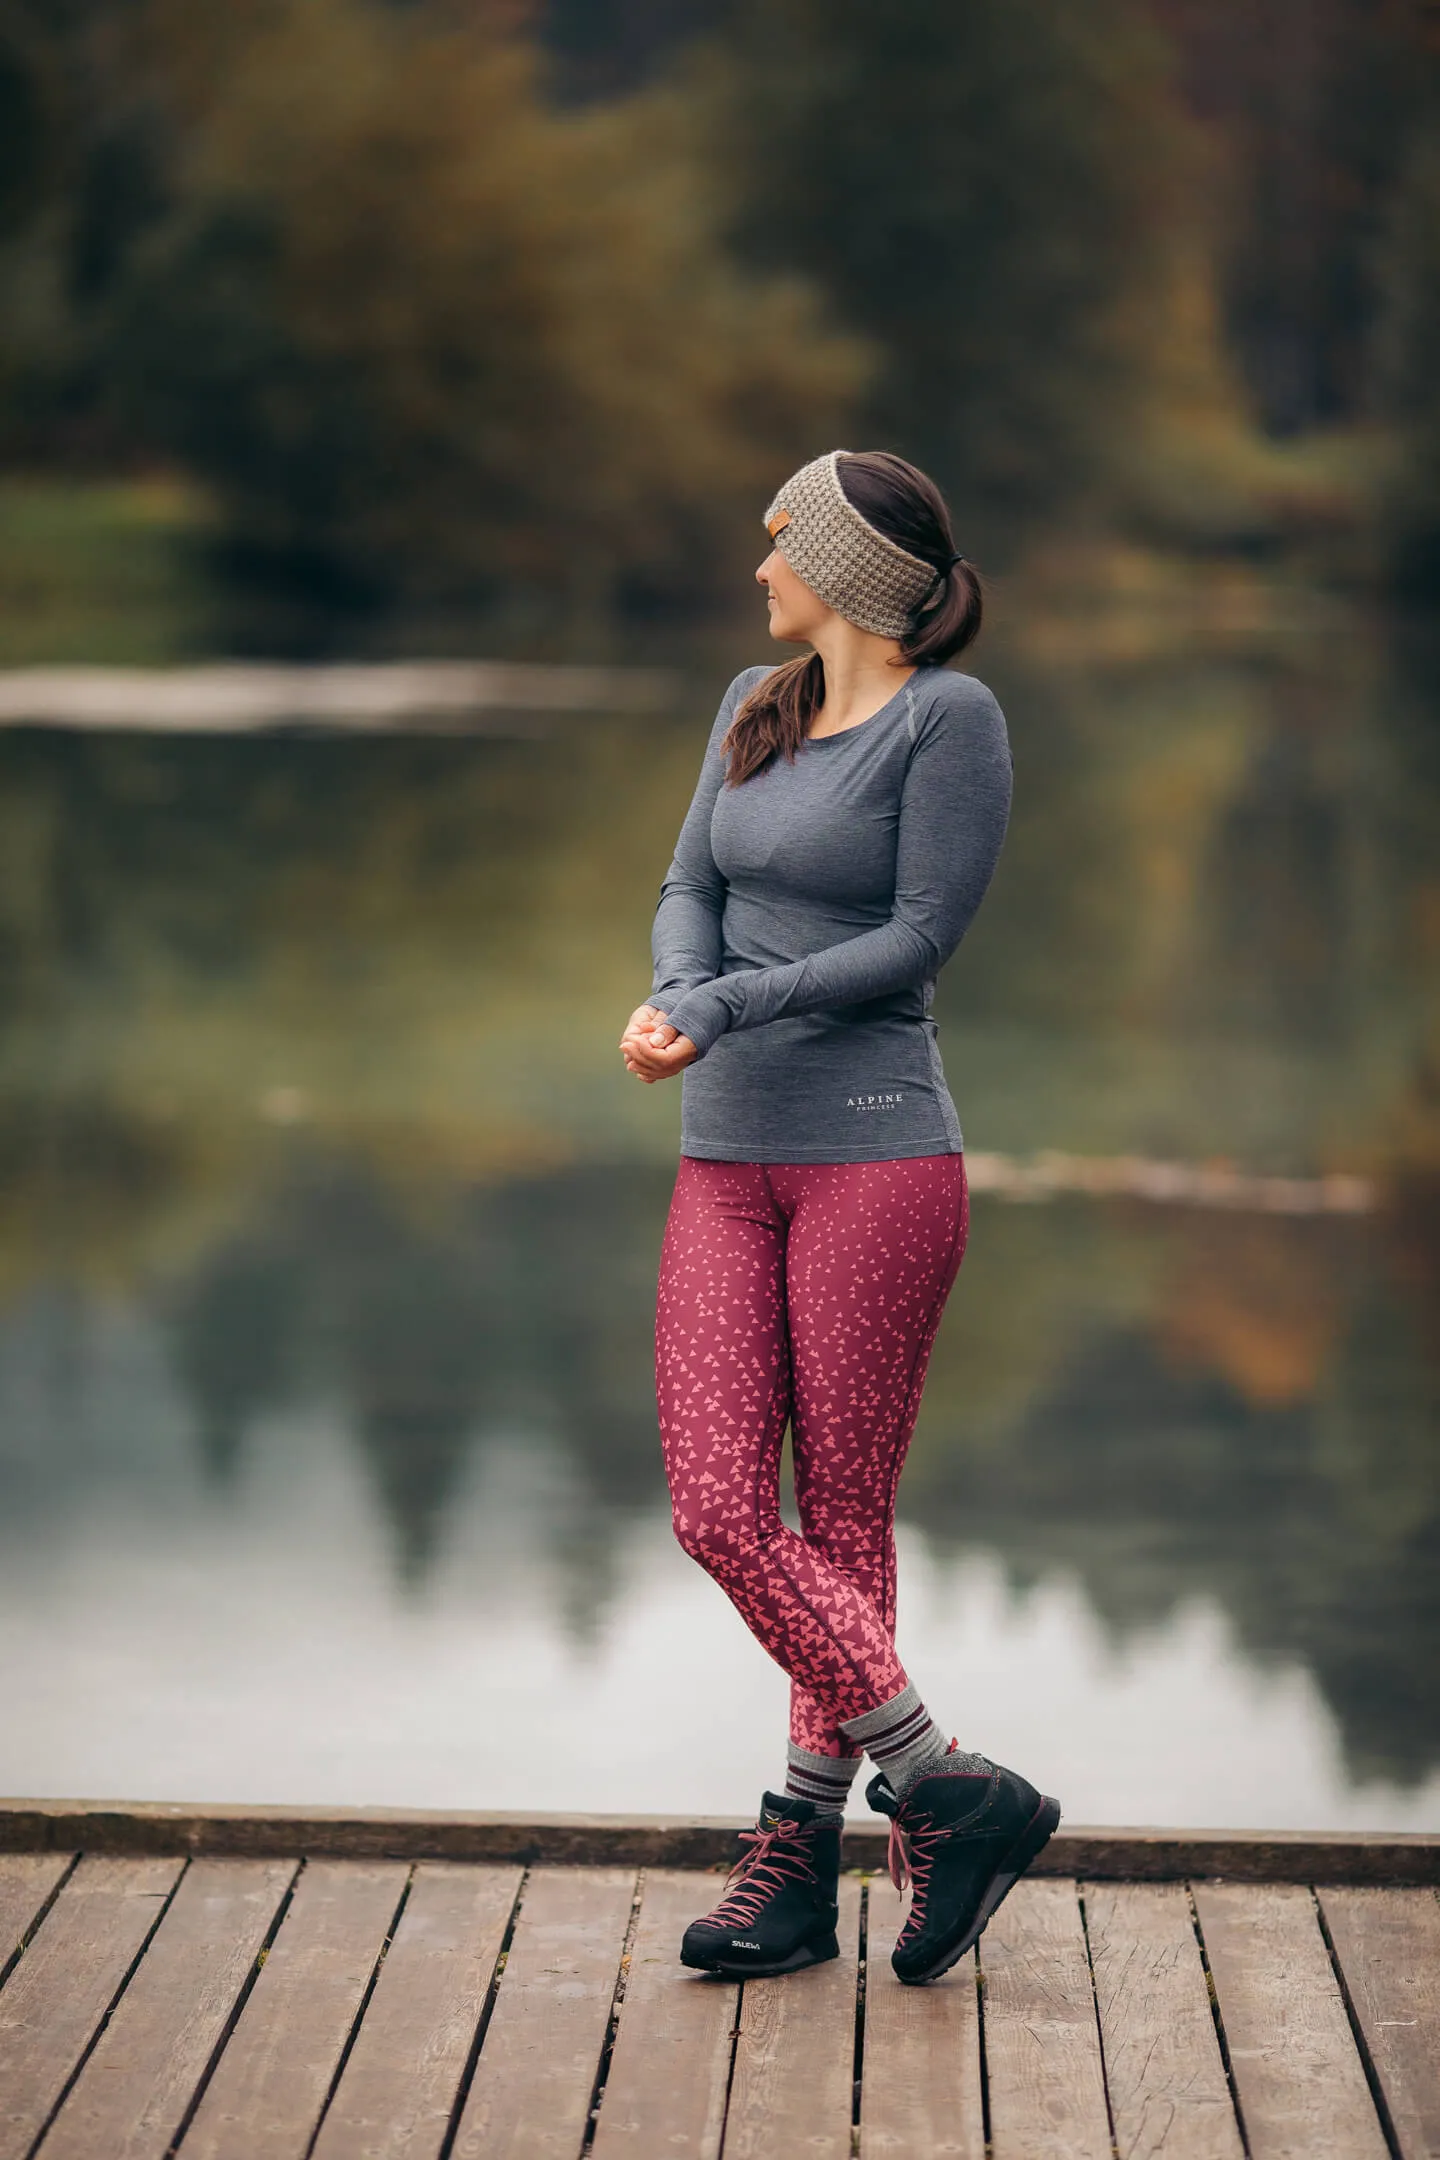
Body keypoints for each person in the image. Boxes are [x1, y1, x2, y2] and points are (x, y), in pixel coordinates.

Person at [619, 449, 1060, 1988]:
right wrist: (686, 994)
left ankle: (795, 1865)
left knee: (842, 1521)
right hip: (724, 1163)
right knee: (719, 1512)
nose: (759, 571)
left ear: (857, 575)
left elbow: (920, 937)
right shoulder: (759, 697)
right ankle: (948, 1786)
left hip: (876, 1160)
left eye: (782, 544)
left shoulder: (953, 721)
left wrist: (728, 999)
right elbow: (689, 882)